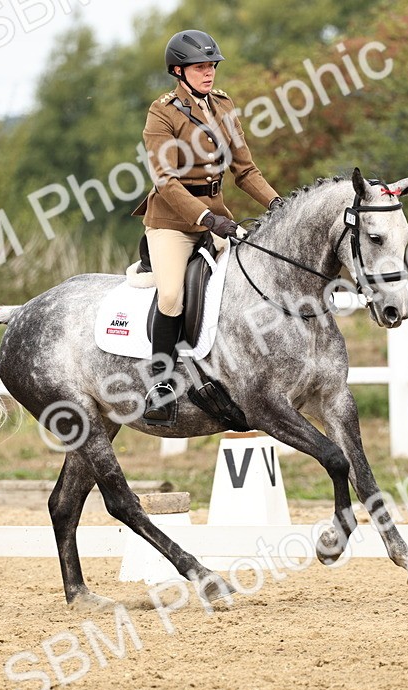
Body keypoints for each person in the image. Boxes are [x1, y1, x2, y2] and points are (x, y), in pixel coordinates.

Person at [131, 29, 284, 426]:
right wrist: (205, 219)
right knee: (170, 296)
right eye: (201, 67)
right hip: (173, 222)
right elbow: (166, 181)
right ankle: (162, 384)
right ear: (178, 71)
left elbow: (245, 170)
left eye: (212, 66)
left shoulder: (223, 106)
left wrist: (279, 204)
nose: (209, 73)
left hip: (217, 214)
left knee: (252, 279)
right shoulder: (161, 112)